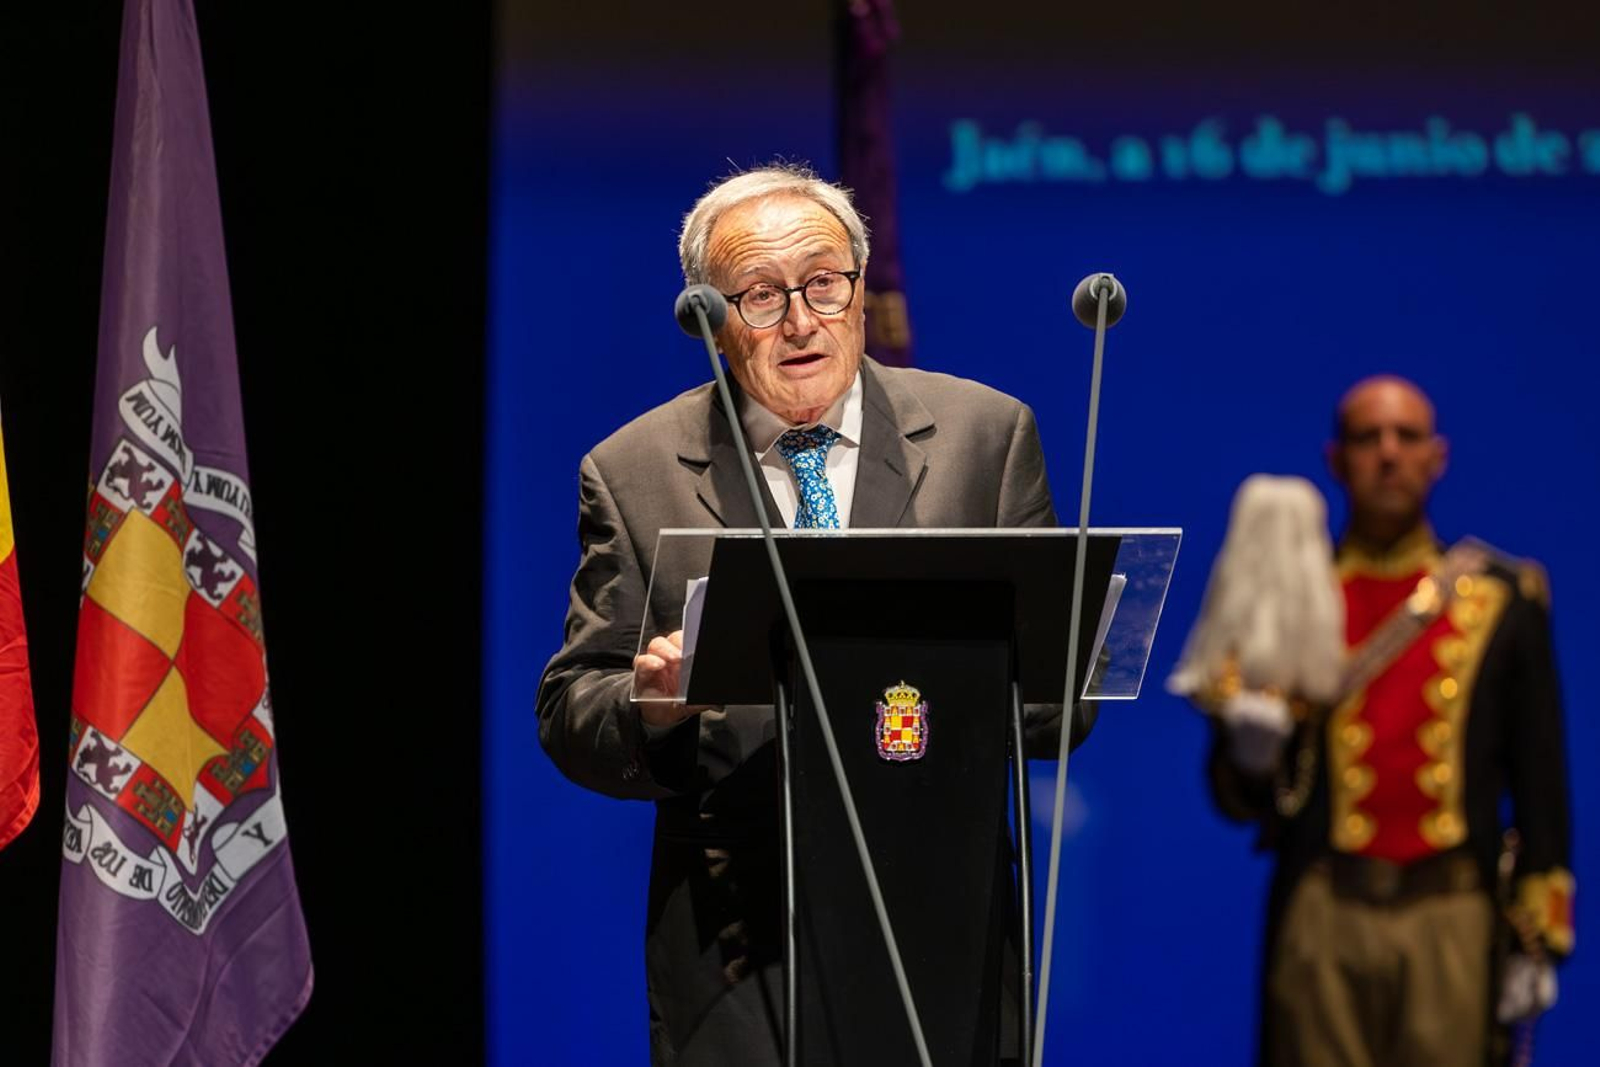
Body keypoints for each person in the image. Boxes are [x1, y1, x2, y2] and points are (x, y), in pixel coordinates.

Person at [536, 163, 1090, 1065]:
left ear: (860, 292)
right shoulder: (634, 470)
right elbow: (569, 707)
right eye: (758, 295)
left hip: (937, 918)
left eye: (822, 284)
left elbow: (1059, 706)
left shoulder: (984, 437)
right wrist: (652, 707)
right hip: (740, 945)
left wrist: (994, 670)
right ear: (712, 323)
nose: (799, 321)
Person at [1170, 376, 1573, 1067]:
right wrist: (1251, 755)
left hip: (1453, 911)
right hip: (1325, 907)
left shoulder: (1504, 600)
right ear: (1337, 459)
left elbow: (1541, 780)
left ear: (1436, 456)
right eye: (1367, 437)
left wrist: (1540, 931)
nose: (1388, 453)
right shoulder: (1291, 597)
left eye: (1407, 436)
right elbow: (1237, 799)